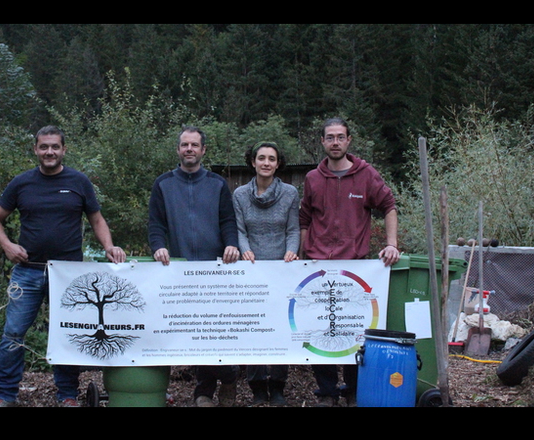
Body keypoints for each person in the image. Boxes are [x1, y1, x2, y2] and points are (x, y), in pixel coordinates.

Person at [0, 125, 126, 407]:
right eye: (44, 147)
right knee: (13, 333)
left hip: (68, 273)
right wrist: (7, 245)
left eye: (55, 147)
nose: (49, 152)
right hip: (28, 271)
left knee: (67, 333)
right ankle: (5, 396)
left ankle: (67, 395)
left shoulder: (79, 181)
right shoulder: (21, 183)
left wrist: (109, 246)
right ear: (36, 149)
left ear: (64, 150)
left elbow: (96, 219)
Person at [299, 117, 400, 407]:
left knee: (354, 332)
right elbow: (305, 218)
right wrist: (303, 256)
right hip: (318, 268)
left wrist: (391, 244)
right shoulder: (312, 178)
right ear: (322, 141)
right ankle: (327, 392)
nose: (335, 142)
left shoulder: (366, 175)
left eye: (340, 137)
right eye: (330, 137)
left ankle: (354, 391)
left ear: (348, 140)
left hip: (355, 268)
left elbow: (389, 206)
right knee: (321, 330)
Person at [148, 125, 240, 407]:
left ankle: (229, 381)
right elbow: (156, 223)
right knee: (195, 333)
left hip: (216, 269)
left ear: (203, 150)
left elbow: (228, 220)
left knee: (218, 330)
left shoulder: (217, 184)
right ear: (178, 149)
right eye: (185, 145)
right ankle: (203, 392)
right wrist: (158, 246)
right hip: (180, 270)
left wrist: (232, 244)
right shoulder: (163, 184)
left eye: (194, 145)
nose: (189, 149)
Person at [232, 141, 299, 406]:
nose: (266, 163)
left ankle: (278, 386)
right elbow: (239, 230)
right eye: (261, 158)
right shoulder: (239, 194)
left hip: (282, 269)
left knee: (281, 328)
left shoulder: (290, 193)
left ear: (278, 163)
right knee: (254, 328)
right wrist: (245, 250)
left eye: (272, 159)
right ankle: (257, 388)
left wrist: (292, 251)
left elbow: (293, 229)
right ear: (253, 162)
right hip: (251, 270)